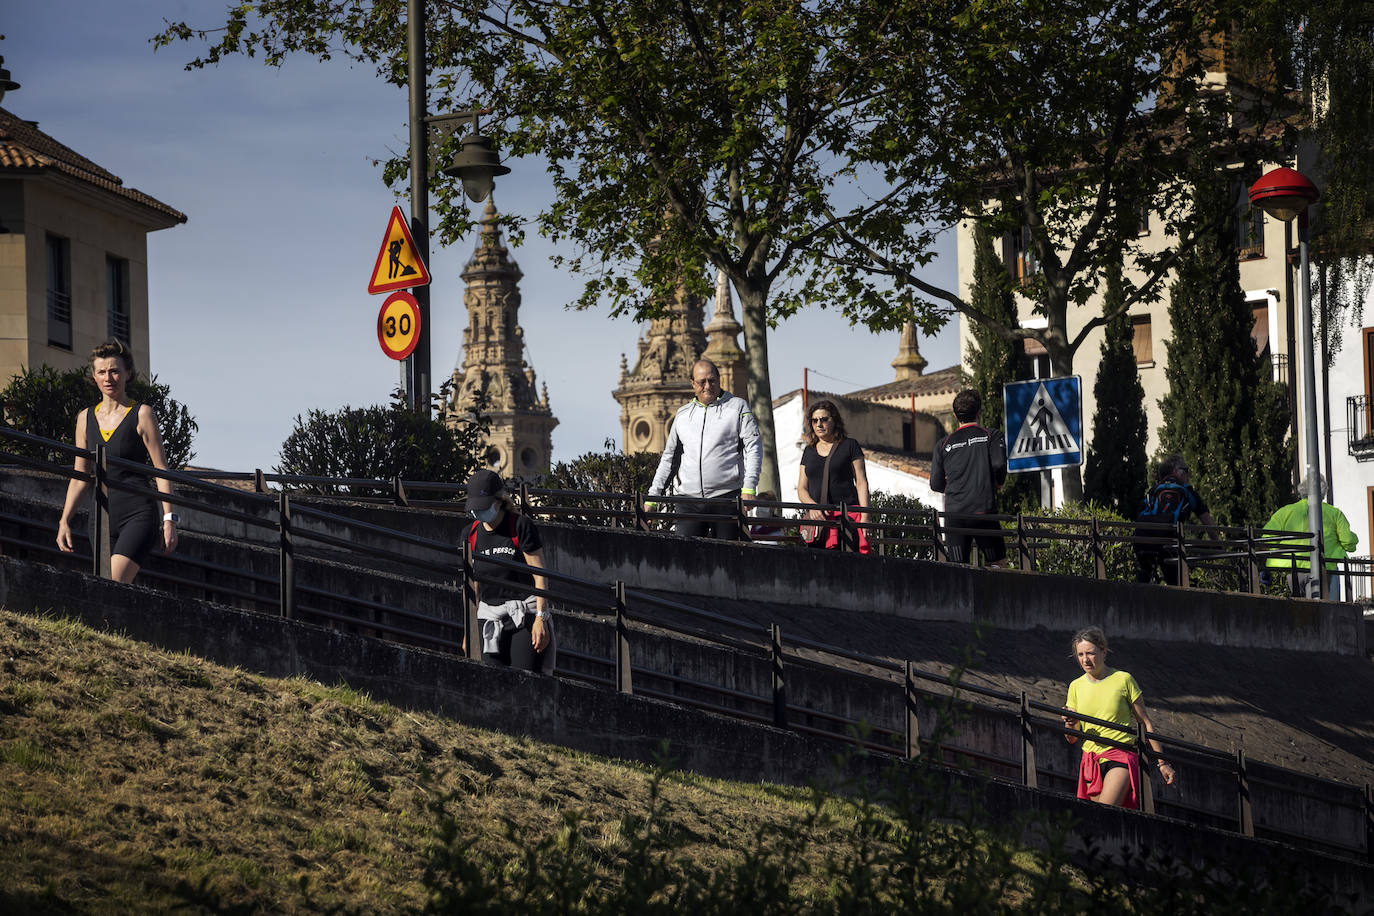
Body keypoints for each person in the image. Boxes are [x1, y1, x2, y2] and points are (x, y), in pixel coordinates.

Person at [56, 339, 178, 583]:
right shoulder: (84, 418)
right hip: (101, 515)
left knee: (113, 581)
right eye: (102, 372)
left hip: (138, 512)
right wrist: (64, 521)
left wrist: (169, 520)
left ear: (128, 373)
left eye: (114, 371)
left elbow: (161, 470)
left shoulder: (142, 414)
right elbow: (80, 476)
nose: (108, 378)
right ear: (94, 376)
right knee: (106, 589)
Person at [644, 358, 762, 539]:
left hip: (726, 497)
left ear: (719, 379)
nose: (708, 386)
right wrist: (653, 498)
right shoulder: (683, 414)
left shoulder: (738, 407)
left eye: (712, 380)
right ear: (693, 384)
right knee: (686, 561)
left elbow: (753, 448)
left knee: (727, 559)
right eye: (701, 382)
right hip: (687, 500)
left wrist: (749, 488)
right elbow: (669, 458)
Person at [1061, 626, 1176, 809]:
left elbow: (1145, 722)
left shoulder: (1123, 679)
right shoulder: (1075, 686)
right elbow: (1072, 738)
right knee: (1097, 821)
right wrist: (1071, 724)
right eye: (1080, 654)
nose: (1085, 660)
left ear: (1104, 651)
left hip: (1120, 755)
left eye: (1090, 653)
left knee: (1105, 811)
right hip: (1091, 759)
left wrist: (1162, 763)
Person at [464, 469, 555, 672]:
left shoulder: (520, 526)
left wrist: (541, 617)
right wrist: (468, 630)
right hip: (489, 616)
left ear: (499, 501)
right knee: (488, 680)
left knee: (524, 678)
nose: (479, 513)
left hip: (524, 616)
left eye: (483, 506)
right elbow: (472, 586)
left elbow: (540, 575)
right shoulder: (470, 534)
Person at [929, 389, 1007, 565]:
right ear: (979, 412)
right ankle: (990, 593)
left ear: (956, 416)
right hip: (983, 512)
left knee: (958, 570)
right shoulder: (991, 435)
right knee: (997, 565)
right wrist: (998, 482)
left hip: (954, 515)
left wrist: (954, 488)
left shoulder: (943, 444)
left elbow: (935, 483)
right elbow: (999, 464)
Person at [1262, 474, 1359, 600]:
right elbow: (1348, 541)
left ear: (1302, 489)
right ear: (1324, 491)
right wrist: (1353, 540)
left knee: (1297, 612)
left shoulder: (1284, 512)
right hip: (1324, 570)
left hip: (1291, 570)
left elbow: (1267, 539)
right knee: (1325, 612)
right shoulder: (1335, 514)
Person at [797, 399, 871, 553]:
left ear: (834, 421)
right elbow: (802, 488)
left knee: (848, 567)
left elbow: (861, 483)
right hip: (819, 522)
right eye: (815, 420)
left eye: (824, 419)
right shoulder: (808, 451)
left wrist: (865, 517)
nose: (819, 424)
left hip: (846, 518)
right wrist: (813, 506)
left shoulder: (850, 445)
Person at [1133, 455, 1214, 586]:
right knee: (1176, 583)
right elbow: (1206, 519)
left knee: (1145, 576)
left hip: (1142, 540)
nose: (1188, 474)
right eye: (1186, 470)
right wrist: (1216, 541)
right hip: (1167, 542)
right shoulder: (1187, 491)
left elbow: (1139, 515)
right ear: (1176, 471)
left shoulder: (1153, 490)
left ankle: (1136, 601)